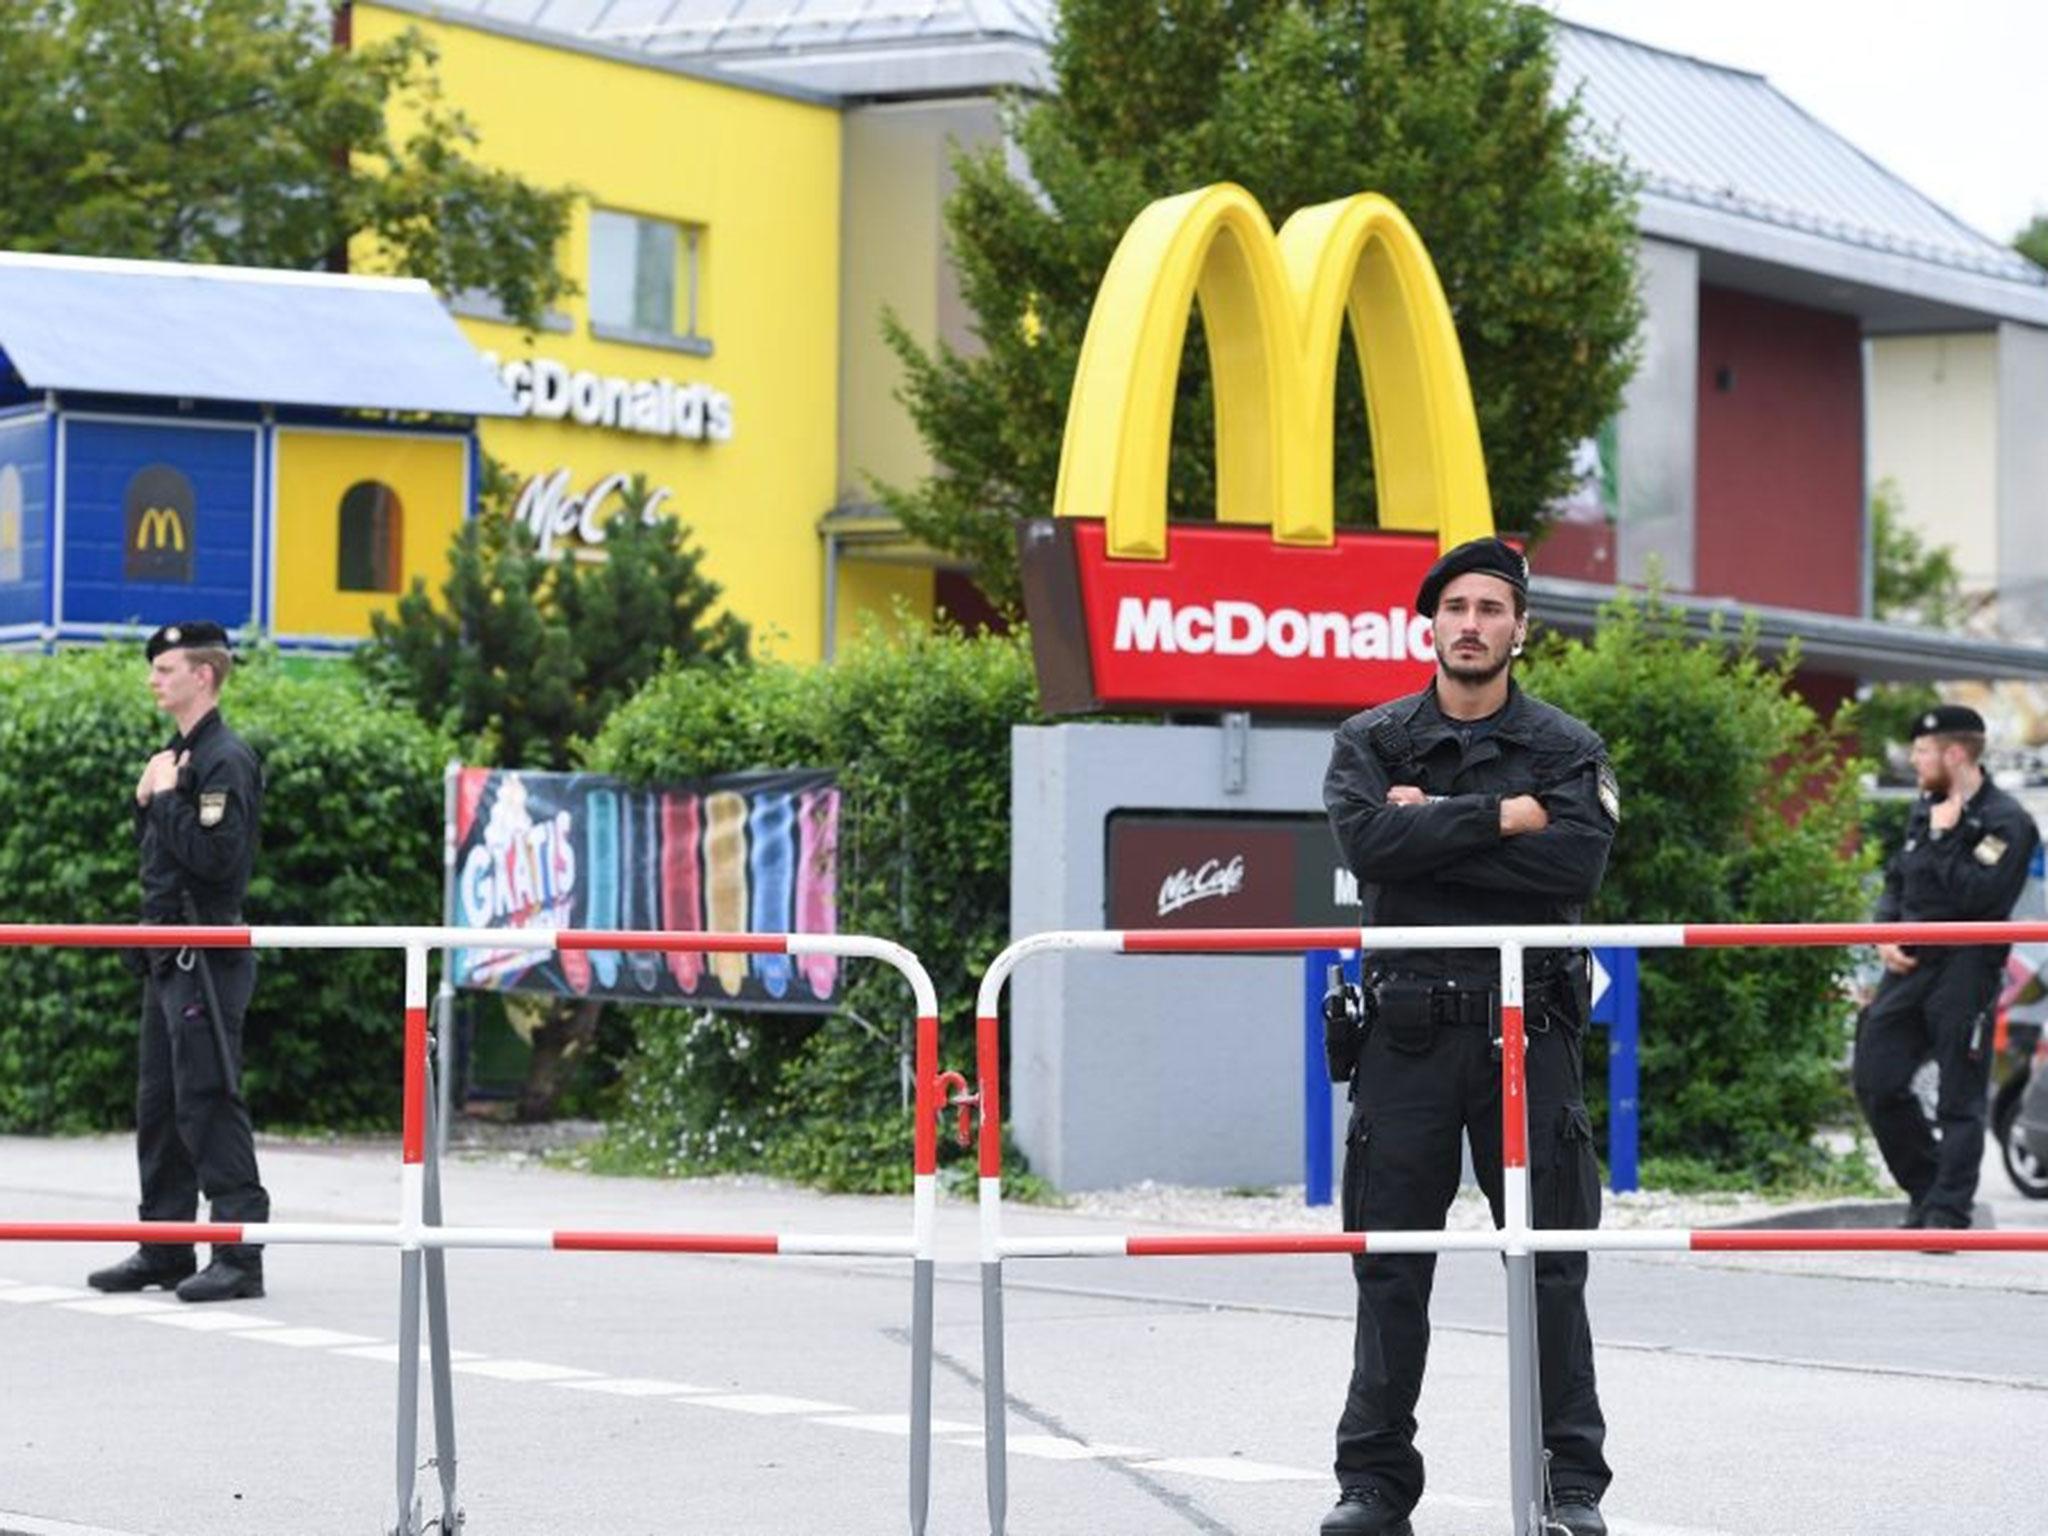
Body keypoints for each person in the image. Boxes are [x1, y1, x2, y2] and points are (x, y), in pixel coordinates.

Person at [1319, 537, 1616, 1536]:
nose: (1471, 625)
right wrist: (1504, 818)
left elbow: (1570, 870)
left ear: (1519, 628)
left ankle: (1567, 1487)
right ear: (1430, 623)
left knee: (1547, 1262)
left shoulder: (1566, 749)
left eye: (1491, 609)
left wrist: (1438, 822)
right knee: (1389, 1263)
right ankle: (1370, 1486)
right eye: (1455, 608)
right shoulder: (1370, 740)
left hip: (1526, 1030)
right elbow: (1370, 848)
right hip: (1402, 1037)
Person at [87, 622, 271, 1304]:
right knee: (160, 1105)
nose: (153, 678)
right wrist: (151, 801)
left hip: (205, 951)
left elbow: (219, 862)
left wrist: (163, 798)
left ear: (205, 675)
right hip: (168, 953)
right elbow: (161, 858)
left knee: (208, 1098)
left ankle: (239, 1255)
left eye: (166, 668)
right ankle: (165, 1246)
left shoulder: (224, 758)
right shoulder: (176, 755)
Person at [1854, 705, 2038, 1233]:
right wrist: (1884, 931)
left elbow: (1980, 896)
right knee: (1876, 1078)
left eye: (1922, 751)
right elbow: (1898, 878)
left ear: (1954, 754)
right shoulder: (1926, 807)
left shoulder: (2006, 821)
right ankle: (1930, 1189)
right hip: (1910, 965)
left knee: (1960, 1096)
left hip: (1966, 966)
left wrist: (1944, 837)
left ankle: (1946, 1215)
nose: (1915, 760)